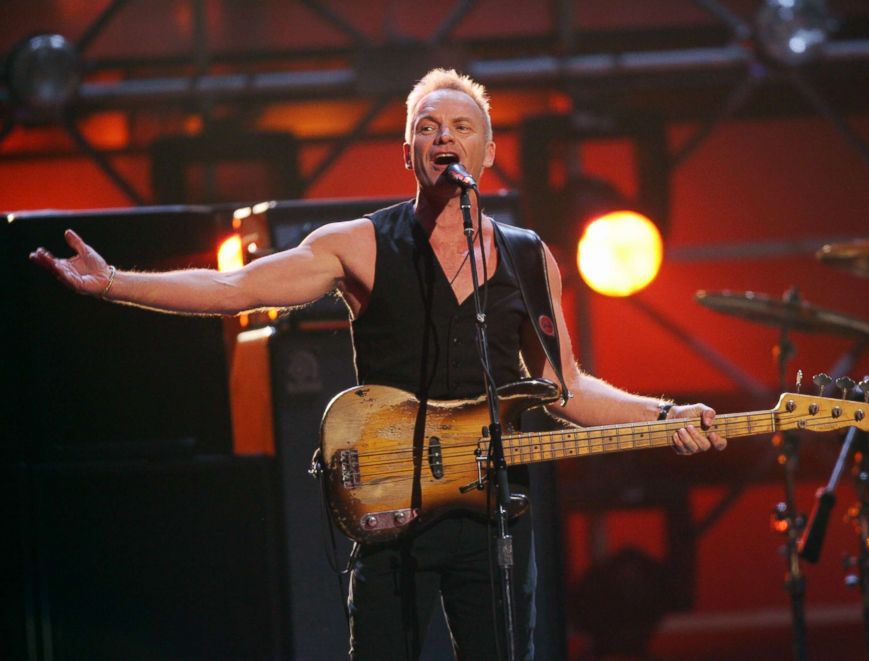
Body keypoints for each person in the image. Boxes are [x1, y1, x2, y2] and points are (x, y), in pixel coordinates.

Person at [30, 68, 726, 660]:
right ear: (408, 150)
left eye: (461, 125)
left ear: (486, 152)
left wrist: (664, 416)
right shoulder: (358, 245)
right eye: (428, 126)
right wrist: (117, 281)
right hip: (395, 515)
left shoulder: (527, 255)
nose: (444, 136)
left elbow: (566, 387)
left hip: (493, 523)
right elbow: (232, 288)